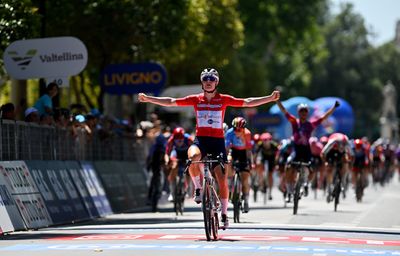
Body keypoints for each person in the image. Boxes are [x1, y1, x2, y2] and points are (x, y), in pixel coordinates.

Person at [139, 68, 280, 228]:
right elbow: (171, 102)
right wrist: (149, 99)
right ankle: (198, 188)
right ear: (202, 82)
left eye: (211, 78)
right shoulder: (196, 99)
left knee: (221, 179)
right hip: (201, 140)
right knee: (192, 158)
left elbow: (247, 102)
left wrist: (269, 98)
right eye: (205, 78)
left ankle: (225, 214)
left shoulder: (223, 99)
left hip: (218, 141)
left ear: (216, 82)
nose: (208, 81)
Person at [276, 100, 339, 202]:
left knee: (311, 168)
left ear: (308, 113)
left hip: (306, 150)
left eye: (305, 111)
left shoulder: (311, 124)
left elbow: (324, 117)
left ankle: (306, 184)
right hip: (296, 149)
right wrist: (277, 101)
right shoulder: (294, 121)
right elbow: (284, 111)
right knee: (288, 167)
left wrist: (334, 107)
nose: (303, 113)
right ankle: (288, 191)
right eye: (301, 111)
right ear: (298, 112)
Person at [225, 117, 252, 212]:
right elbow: (227, 147)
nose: (237, 131)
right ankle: (229, 180)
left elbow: (248, 150)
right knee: (228, 160)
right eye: (236, 129)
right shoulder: (229, 132)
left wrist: (250, 161)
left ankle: (246, 201)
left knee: (245, 179)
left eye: (240, 129)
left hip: (243, 153)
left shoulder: (247, 133)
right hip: (234, 151)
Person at [320, 132, 353, 202]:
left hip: (341, 154)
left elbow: (352, 155)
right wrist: (325, 163)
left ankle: (343, 183)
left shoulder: (346, 142)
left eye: (343, 146)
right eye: (341, 145)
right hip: (331, 153)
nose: (342, 147)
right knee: (329, 169)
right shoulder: (332, 142)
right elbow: (323, 153)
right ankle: (329, 190)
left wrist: (350, 164)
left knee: (345, 165)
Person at [165, 127, 193, 202]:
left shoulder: (189, 139)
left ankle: (186, 188)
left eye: (181, 137)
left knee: (189, 169)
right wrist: (167, 161)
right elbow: (167, 153)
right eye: (177, 138)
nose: (179, 140)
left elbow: (194, 149)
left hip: (187, 154)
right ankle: (171, 192)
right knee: (173, 167)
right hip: (176, 154)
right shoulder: (171, 140)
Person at [254, 132, 279, 201]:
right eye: (264, 140)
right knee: (260, 167)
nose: (265, 142)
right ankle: (261, 183)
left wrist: (276, 163)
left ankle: (270, 192)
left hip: (272, 159)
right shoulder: (260, 144)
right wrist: (254, 162)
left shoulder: (274, 145)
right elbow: (255, 154)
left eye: (267, 140)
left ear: (270, 140)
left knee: (270, 175)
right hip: (263, 158)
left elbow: (278, 154)